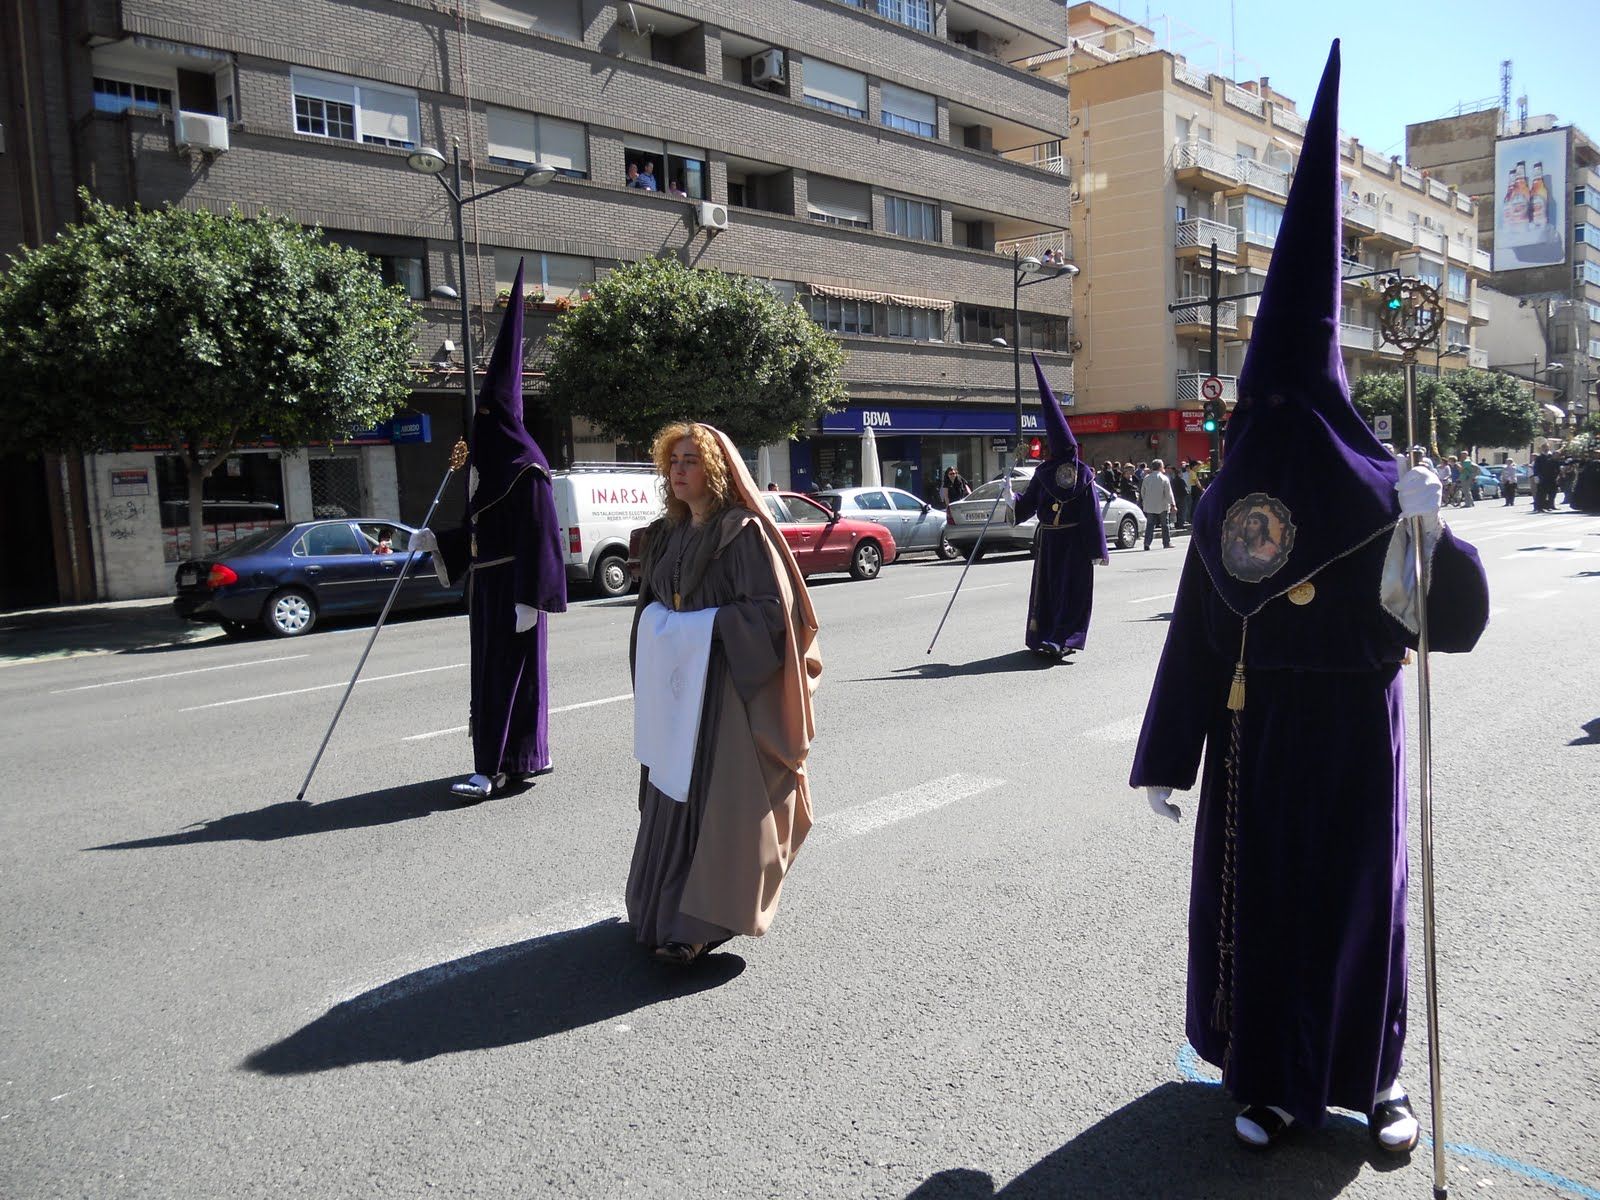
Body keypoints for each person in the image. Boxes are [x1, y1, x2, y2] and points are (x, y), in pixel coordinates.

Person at [1130, 43, 1488, 1157]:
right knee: (1268, 913)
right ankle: (1276, 1082)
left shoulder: (1382, 482)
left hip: (1356, 725)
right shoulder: (1229, 490)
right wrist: (1169, 754)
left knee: (1362, 905)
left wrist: (1434, 530)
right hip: (1257, 730)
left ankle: (1375, 1079)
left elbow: (1450, 624)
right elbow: (1199, 631)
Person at [628, 421, 821, 965]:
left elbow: (770, 616)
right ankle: (661, 911)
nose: (678, 470)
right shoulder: (666, 534)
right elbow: (649, 606)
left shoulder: (743, 534)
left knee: (717, 804)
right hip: (677, 692)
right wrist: (663, 630)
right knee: (671, 796)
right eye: (673, 461)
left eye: (691, 461)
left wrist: (701, 627)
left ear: (714, 470)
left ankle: (700, 925)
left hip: (721, 692)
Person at [410, 259, 567, 801]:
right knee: (496, 676)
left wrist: (532, 598)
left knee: (506, 677)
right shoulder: (489, 471)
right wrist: (439, 541)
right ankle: (520, 757)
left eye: (485, 420)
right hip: (488, 590)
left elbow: (541, 538)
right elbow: (482, 534)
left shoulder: (527, 469)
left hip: (513, 592)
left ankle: (493, 768)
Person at [1010, 354, 1109, 660]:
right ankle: (1050, 636)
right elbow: (1092, 515)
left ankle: (1060, 638)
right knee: (1062, 590)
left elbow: (1028, 506)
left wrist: (1013, 501)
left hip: (1060, 541)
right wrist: (1009, 497)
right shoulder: (1077, 473)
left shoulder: (1050, 473)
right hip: (1064, 541)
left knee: (1060, 590)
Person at [1140, 458, 1177, 549]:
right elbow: (1168, 493)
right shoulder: (1164, 478)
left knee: (1150, 525)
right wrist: (1173, 504)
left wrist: (1146, 501)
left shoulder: (1147, 478)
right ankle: (1166, 543)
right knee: (1165, 525)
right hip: (1162, 505)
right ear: (1161, 467)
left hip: (1150, 505)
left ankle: (1147, 543)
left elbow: (1143, 492)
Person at [1532, 446, 1560, 512]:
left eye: (1547, 447)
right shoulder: (1539, 457)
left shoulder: (1551, 456)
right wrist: (1536, 476)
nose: (1546, 449)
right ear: (1542, 449)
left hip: (1552, 477)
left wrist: (1558, 474)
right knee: (1542, 493)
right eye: (1544, 448)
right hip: (1543, 478)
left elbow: (1556, 465)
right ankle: (1539, 507)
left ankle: (1550, 505)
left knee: (1552, 492)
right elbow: (1536, 467)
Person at [1170, 459, 1191, 530]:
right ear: (1179, 474)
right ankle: (1180, 524)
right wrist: (1187, 493)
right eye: (1181, 473)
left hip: (1175, 497)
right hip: (1182, 497)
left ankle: (1176, 524)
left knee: (1176, 512)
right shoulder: (1181, 481)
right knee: (1182, 511)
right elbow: (1185, 489)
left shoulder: (1172, 481)